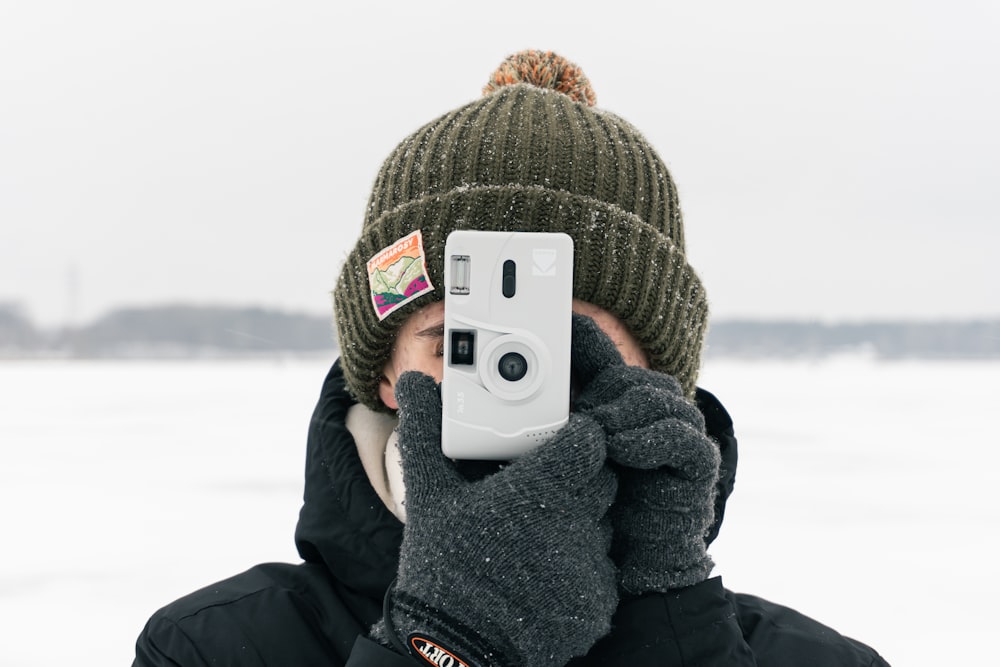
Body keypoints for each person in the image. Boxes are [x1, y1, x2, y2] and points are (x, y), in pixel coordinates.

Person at [132, 50, 890, 666]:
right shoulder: (211, 648)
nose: (514, 376)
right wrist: (442, 639)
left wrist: (669, 624)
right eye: (455, 341)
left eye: (571, 342)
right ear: (387, 372)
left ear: (659, 377)